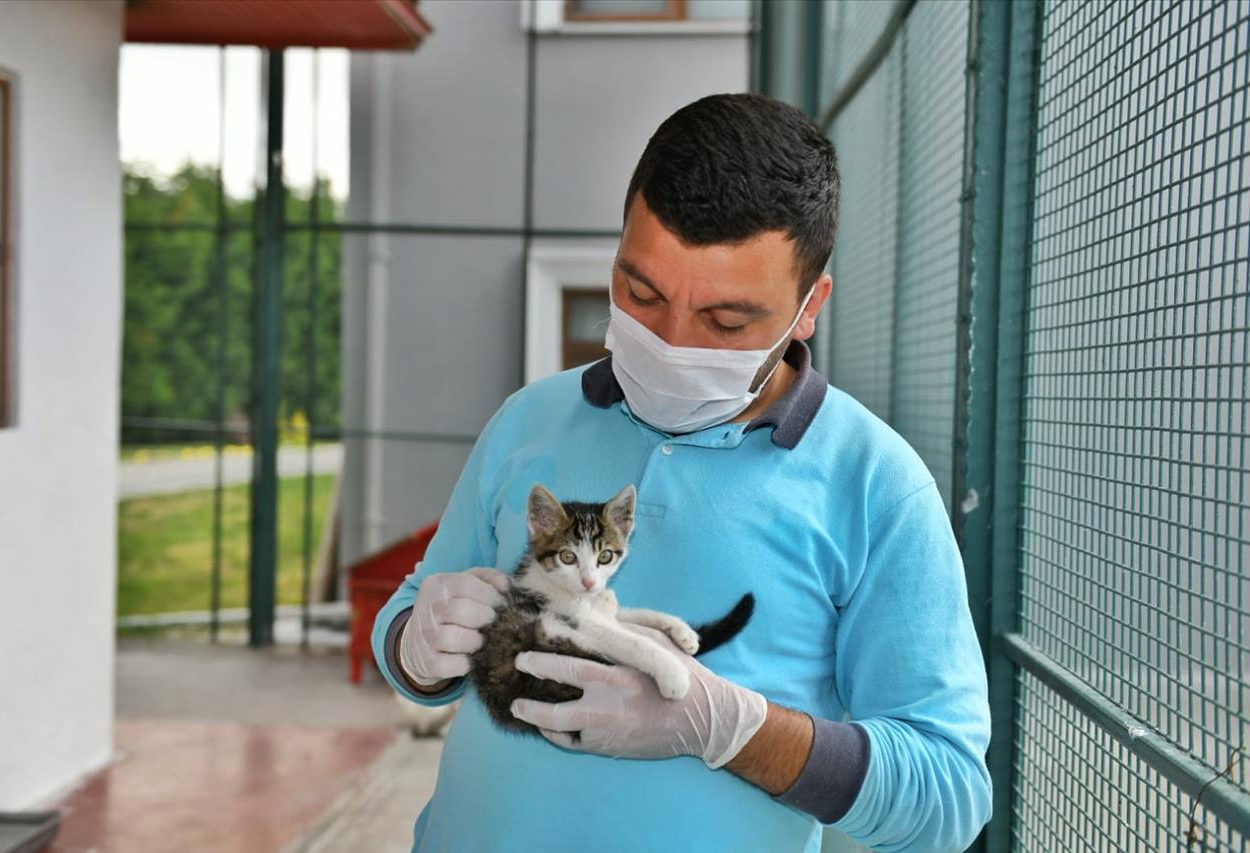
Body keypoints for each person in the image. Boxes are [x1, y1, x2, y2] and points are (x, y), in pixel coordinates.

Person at [371, 93, 992, 853]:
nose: (667, 342)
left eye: (726, 322)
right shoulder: (529, 420)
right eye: (641, 292)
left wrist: (728, 726)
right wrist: (414, 644)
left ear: (809, 307)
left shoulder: (876, 486)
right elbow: (409, 626)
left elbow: (949, 796)